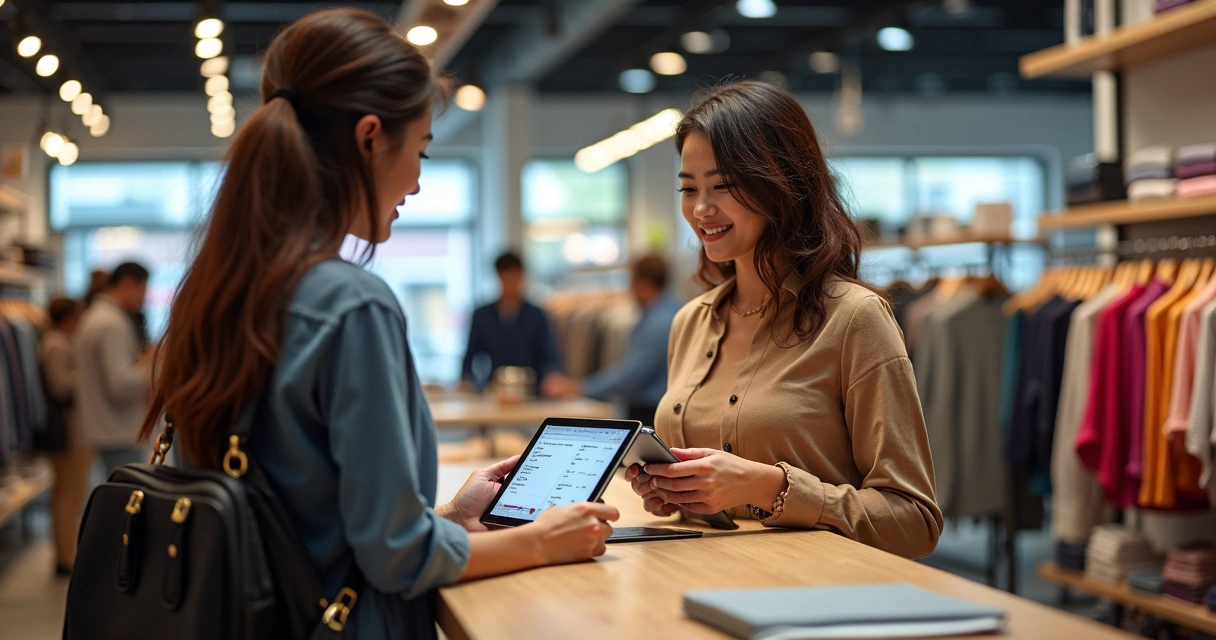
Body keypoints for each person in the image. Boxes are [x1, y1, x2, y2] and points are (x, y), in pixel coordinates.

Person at [137, 9, 616, 638]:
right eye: (419, 149)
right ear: (369, 138)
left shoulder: (221, 288)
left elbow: (302, 514)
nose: (416, 181)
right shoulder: (350, 304)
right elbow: (398, 558)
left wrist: (444, 516)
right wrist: (545, 540)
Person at [625, 81, 943, 560]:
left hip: (815, 597)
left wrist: (770, 486)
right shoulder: (690, 322)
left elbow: (915, 522)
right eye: (689, 189)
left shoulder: (855, 319)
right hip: (699, 582)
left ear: (780, 182)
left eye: (723, 186)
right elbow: (711, 500)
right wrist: (679, 494)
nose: (701, 208)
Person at [549, 255, 682, 424]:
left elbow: (633, 375)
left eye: (631, 282)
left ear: (643, 284)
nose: (629, 289)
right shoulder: (666, 312)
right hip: (655, 408)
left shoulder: (660, 323)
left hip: (652, 411)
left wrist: (580, 388)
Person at [74, 262, 150, 473]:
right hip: (117, 432)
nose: (144, 297)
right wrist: (157, 368)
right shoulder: (111, 323)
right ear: (127, 284)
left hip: (108, 429)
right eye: (143, 289)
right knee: (129, 500)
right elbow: (121, 385)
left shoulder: (97, 316)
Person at [461, 252, 568, 396]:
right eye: (506, 276)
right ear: (498, 276)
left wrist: (552, 376)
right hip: (494, 392)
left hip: (531, 392)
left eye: (514, 276)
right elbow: (469, 357)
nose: (510, 282)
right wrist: (469, 382)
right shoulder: (482, 315)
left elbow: (550, 354)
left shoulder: (536, 314)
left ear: (521, 276)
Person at [40, 297, 92, 576]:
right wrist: (88, 377)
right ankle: (66, 557)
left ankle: (65, 553)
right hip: (68, 431)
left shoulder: (56, 341)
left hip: (71, 429)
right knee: (68, 495)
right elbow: (61, 386)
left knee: (67, 493)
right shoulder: (56, 344)